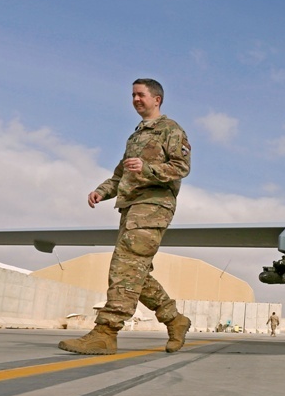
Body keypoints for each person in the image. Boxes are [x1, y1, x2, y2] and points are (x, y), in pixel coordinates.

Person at [59, 79, 192, 355]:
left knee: (124, 267)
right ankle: (175, 320)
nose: (135, 99)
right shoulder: (135, 138)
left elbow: (181, 167)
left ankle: (106, 333)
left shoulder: (171, 129)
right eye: (133, 95)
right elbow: (120, 175)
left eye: (141, 94)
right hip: (131, 207)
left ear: (157, 99)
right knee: (134, 271)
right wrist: (101, 191)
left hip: (153, 206)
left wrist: (147, 168)